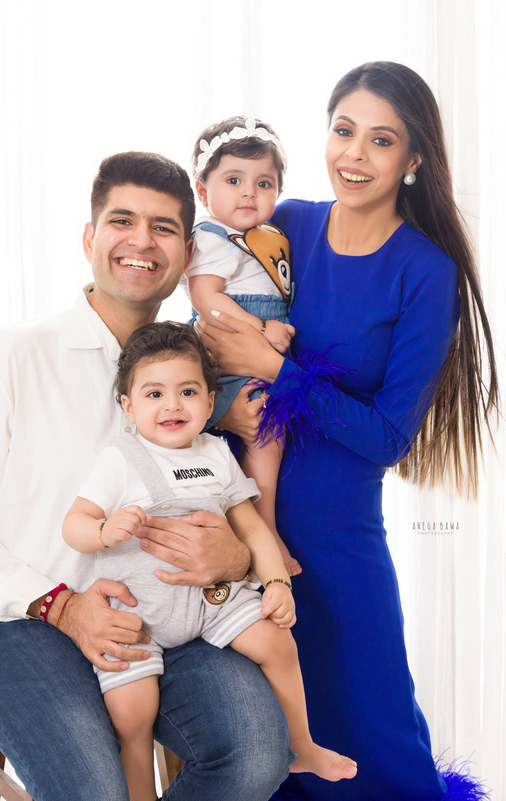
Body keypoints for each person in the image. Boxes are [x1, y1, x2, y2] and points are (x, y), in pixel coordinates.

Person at [0, 152, 293, 801]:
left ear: (187, 254)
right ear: (90, 239)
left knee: (255, 754)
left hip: (161, 621)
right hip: (16, 621)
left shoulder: (201, 380)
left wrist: (235, 560)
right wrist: (60, 606)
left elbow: (228, 508)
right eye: (122, 221)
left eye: (163, 228)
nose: (142, 241)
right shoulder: (8, 357)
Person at [199, 62, 499, 801]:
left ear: (414, 157)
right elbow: (204, 337)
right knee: (264, 753)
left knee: (375, 744)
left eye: (381, 140)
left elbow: (388, 436)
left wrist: (276, 369)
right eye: (343, 130)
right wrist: (227, 405)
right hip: (238, 534)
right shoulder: (285, 224)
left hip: (337, 551)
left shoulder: (426, 272)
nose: (354, 155)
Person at [62, 322, 356, 801]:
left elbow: (252, 528)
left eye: (188, 391)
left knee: (277, 642)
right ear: (128, 407)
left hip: (211, 601)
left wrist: (276, 584)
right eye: (154, 394)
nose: (173, 405)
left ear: (210, 399)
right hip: (139, 612)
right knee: (132, 714)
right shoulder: (120, 459)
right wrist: (101, 531)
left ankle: (300, 745)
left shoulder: (216, 453)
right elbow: (74, 522)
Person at [180, 116, 300, 574]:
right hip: (231, 345)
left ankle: (258, 527)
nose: (249, 193)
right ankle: (264, 529)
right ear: (203, 191)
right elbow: (206, 300)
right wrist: (260, 329)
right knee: (265, 434)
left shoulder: (265, 238)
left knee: (269, 434)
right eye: (234, 181)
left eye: (263, 183)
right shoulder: (212, 237)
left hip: (258, 346)